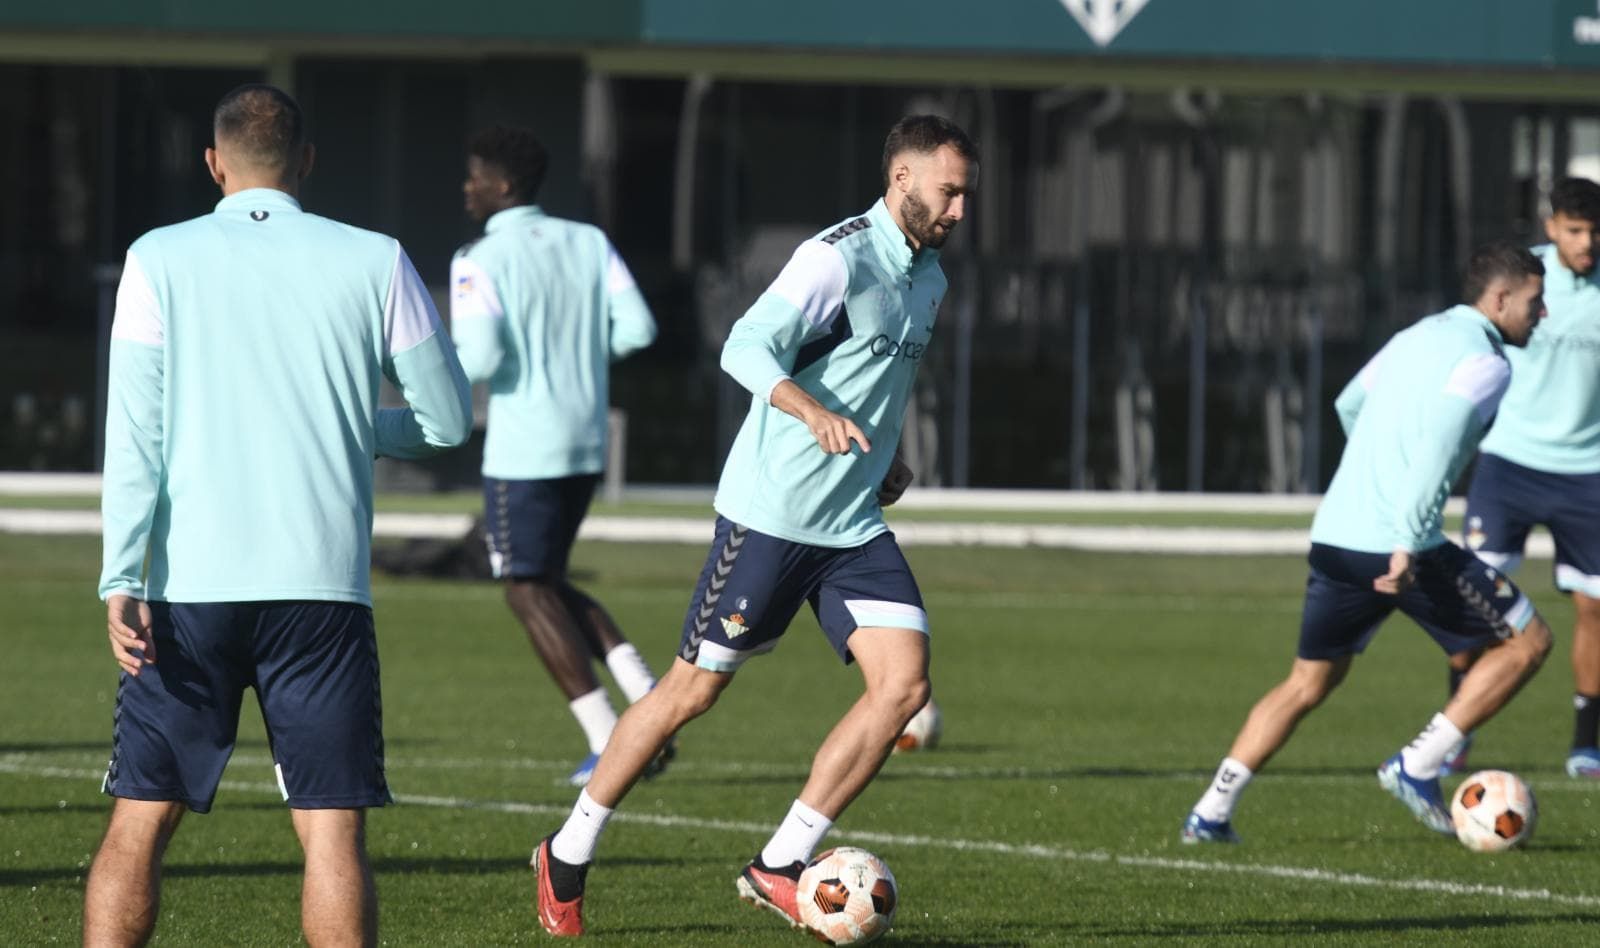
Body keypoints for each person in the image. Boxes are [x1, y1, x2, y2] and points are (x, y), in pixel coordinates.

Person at [529, 114, 979, 937]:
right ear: (903, 178)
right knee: (692, 692)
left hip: (852, 524)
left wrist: (890, 458)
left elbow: (870, 375)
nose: (959, 211)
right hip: (772, 517)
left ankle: (780, 862)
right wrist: (809, 412)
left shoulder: (932, 278)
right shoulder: (833, 257)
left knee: (904, 687)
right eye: (949, 192)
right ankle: (567, 848)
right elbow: (745, 346)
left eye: (966, 196)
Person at [85, 84, 473, 946]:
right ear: (305, 164)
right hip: (323, 593)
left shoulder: (157, 256)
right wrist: (347, 422)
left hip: (186, 592)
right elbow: (447, 421)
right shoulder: (377, 257)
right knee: (333, 833)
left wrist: (120, 575)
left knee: (139, 821)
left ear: (214, 164)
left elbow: (135, 434)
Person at [1181, 241, 1553, 844]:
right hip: (1398, 545)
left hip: (1336, 535)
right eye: (1535, 303)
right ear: (1501, 298)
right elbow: (1436, 449)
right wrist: (1405, 541)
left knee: (1307, 682)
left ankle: (1211, 812)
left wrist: (1375, 473)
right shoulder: (1488, 363)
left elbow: (1349, 403)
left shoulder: (1416, 335)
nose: (1542, 315)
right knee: (1529, 641)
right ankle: (1419, 764)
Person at [449, 125, 666, 788]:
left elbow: (481, 358)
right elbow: (639, 329)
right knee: (547, 579)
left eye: (475, 176)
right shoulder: (589, 241)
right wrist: (574, 353)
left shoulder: (478, 259)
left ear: (503, 186)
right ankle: (650, 703)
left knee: (522, 587)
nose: (466, 188)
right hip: (585, 440)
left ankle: (612, 739)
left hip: (525, 446)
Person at [1445, 178, 1600, 779]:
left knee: (1593, 608)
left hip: (1588, 471)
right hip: (1508, 463)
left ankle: (1588, 741)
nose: (1586, 243)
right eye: (1574, 230)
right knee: (1471, 599)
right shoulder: (1521, 277)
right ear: (1552, 225)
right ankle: (1456, 727)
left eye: (1595, 231)